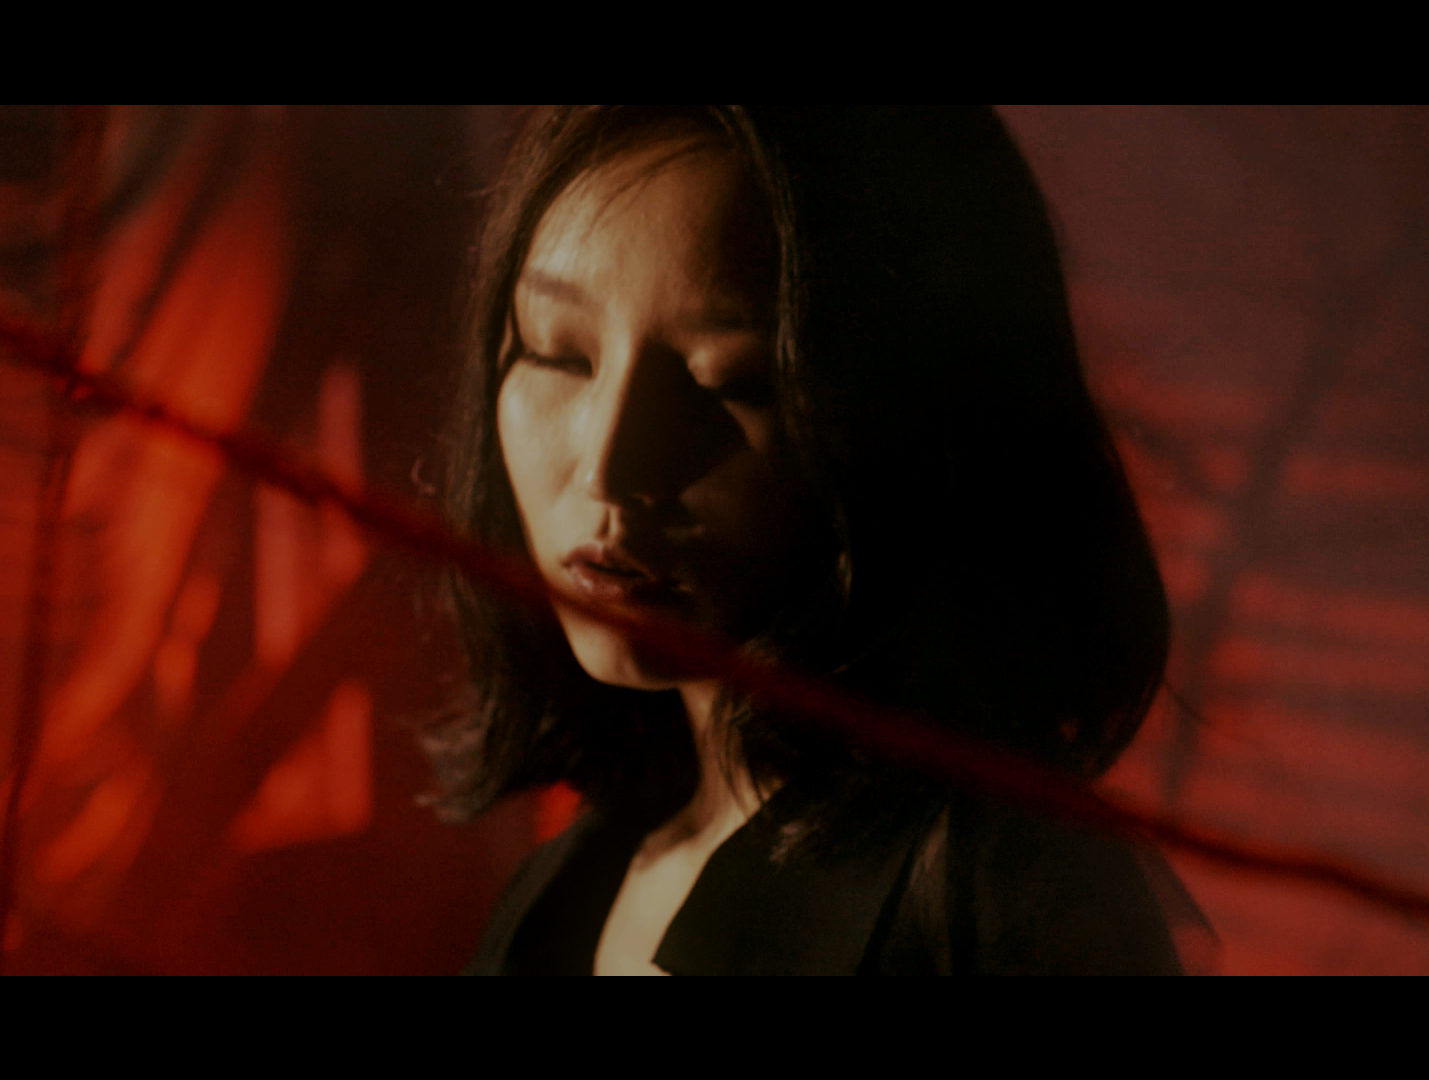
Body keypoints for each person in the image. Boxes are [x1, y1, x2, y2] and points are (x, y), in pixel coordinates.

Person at [430, 106, 1204, 974]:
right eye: (558, 355)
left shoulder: (1003, 900)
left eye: (732, 382)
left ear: (917, 420)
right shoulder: (563, 894)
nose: (609, 467)